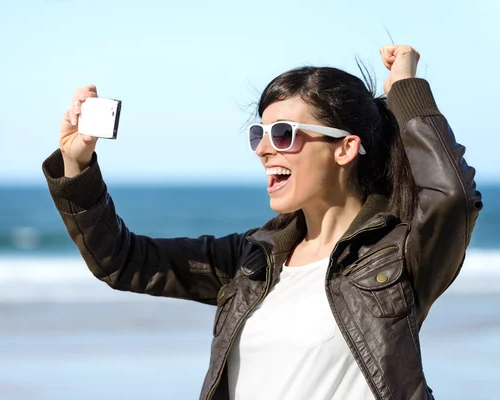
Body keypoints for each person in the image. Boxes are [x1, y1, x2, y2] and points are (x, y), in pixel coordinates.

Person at [42, 45, 482, 400]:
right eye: (261, 134)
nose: (264, 149)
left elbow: (452, 199)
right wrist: (76, 165)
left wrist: (406, 88)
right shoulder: (253, 260)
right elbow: (122, 260)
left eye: (285, 134)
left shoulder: (398, 257)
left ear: (345, 149)